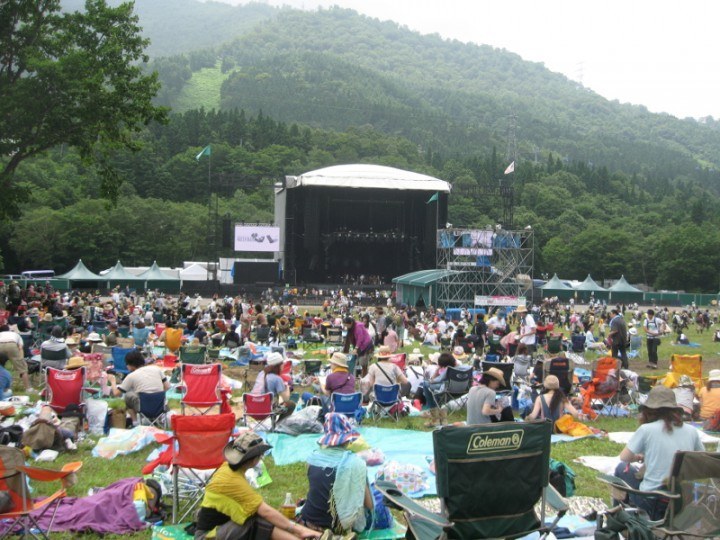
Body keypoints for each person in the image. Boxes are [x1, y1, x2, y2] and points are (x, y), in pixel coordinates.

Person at [194, 432, 319, 540]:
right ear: (254, 459)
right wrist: (298, 529)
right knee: (256, 522)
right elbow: (265, 511)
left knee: (259, 519)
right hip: (207, 536)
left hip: (222, 527)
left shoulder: (229, 469)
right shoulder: (231, 479)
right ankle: (302, 536)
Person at [614, 385, 704, 520]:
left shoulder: (647, 429)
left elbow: (624, 457)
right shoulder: (691, 431)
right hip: (682, 500)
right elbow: (701, 458)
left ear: (648, 410)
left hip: (652, 500)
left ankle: (621, 518)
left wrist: (638, 457)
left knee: (622, 469)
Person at [299, 413, 373, 536]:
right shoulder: (356, 463)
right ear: (349, 438)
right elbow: (369, 504)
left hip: (309, 520)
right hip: (338, 527)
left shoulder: (312, 459)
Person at [107, 350, 169, 425]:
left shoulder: (131, 376)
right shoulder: (156, 369)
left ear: (130, 365)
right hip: (160, 406)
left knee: (128, 396)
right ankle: (157, 419)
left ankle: (135, 422)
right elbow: (167, 386)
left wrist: (113, 381)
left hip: (144, 408)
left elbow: (116, 393)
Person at [301, 352, 355, 417]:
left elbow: (327, 393)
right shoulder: (352, 377)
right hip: (350, 411)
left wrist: (321, 382)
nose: (330, 364)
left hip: (334, 411)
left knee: (307, 395)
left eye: (331, 363)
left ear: (335, 364)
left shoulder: (331, 377)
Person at [251, 352, 295, 422]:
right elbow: (286, 398)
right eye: (282, 363)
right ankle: (279, 424)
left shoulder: (261, 374)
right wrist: (288, 387)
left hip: (251, 409)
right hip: (266, 411)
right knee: (291, 404)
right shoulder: (277, 379)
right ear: (278, 365)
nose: (284, 365)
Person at [421, 352, 456, 427]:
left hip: (445, 388)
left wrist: (436, 373)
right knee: (435, 393)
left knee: (426, 384)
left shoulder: (447, 370)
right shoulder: (457, 369)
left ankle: (434, 416)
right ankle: (442, 419)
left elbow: (435, 380)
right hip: (457, 391)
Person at [0, 323, 31, 392]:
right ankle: (28, 388)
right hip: (11, 344)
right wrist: (21, 360)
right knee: (23, 369)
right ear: (9, 330)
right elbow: (20, 347)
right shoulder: (15, 334)